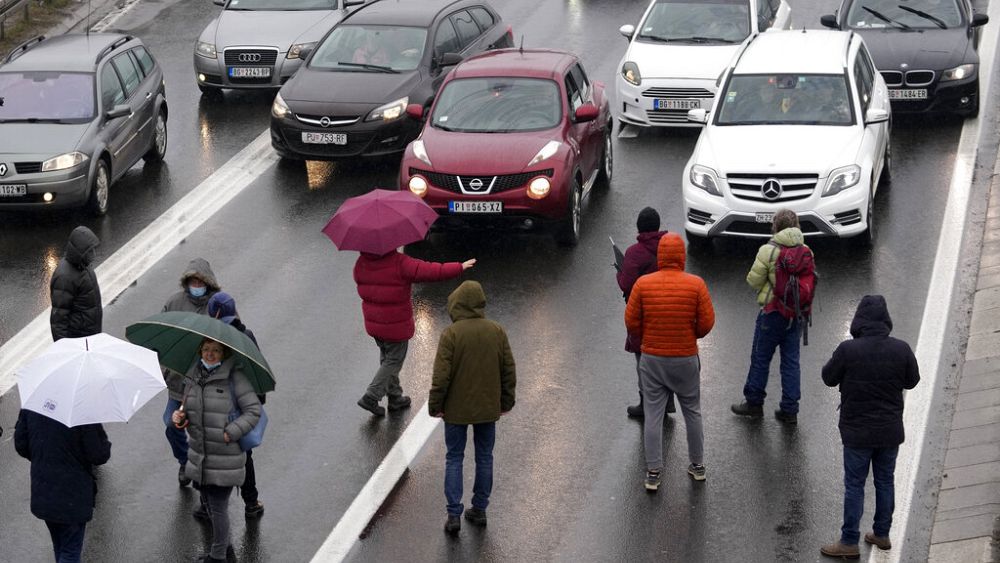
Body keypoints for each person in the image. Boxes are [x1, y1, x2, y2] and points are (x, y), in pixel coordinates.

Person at [819, 295, 920, 559]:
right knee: (885, 480)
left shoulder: (848, 350)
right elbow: (912, 381)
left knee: (855, 485)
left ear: (859, 320)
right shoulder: (901, 349)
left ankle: (849, 541)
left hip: (857, 432)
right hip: (889, 431)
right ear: (886, 320)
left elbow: (828, 378)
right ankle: (882, 533)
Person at [625, 233, 715, 491]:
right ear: (682, 257)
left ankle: (653, 472)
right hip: (685, 358)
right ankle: (697, 466)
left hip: (652, 359)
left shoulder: (643, 284)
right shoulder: (695, 285)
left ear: (660, 256)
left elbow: (631, 321)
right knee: (692, 412)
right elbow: (707, 322)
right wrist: (691, 334)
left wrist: (646, 337)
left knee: (653, 414)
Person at [428, 281, 516, 535]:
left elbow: (441, 376)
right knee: (484, 457)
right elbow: (508, 371)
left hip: (455, 410)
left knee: (454, 457)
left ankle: (453, 514)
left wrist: (436, 406)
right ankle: (480, 509)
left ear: (456, 303)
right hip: (488, 408)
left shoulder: (451, 334)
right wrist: (506, 402)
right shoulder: (496, 331)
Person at [353, 249, 474, 417]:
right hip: (395, 325)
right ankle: (372, 396)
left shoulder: (361, 263)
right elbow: (430, 271)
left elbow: (360, 283)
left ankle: (395, 398)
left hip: (375, 323)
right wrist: (459, 267)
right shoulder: (400, 263)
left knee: (387, 359)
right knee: (393, 361)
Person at [172, 339, 261, 563]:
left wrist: (231, 432)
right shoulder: (193, 377)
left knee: (218, 507)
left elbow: (253, 411)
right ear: (199, 350)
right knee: (210, 505)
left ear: (224, 353)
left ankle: (218, 556)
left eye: (216, 350)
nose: (210, 354)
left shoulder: (235, 378)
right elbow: (189, 411)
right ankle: (227, 551)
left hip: (225, 457)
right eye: (206, 349)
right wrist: (180, 419)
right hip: (200, 455)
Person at [731, 209, 810, 423]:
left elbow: (753, 281)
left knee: (761, 357)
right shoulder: (806, 250)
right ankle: (790, 409)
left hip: (772, 312)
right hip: (795, 315)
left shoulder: (768, 250)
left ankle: (754, 403)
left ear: (775, 226)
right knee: (791, 362)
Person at [14, 408, 112, 563]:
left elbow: (21, 444)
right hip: (73, 495)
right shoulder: (82, 410)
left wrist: (44, 456)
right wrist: (104, 440)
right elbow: (99, 454)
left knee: (60, 545)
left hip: (44, 491)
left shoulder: (34, 405)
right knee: (70, 551)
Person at [160, 258, 222, 487]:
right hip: (177, 382)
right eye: (193, 281)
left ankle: (200, 472)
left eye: (200, 281)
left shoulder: (216, 307)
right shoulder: (174, 303)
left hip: (204, 384)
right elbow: (162, 336)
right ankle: (184, 461)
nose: (196, 285)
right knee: (170, 424)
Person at [204, 291, 265, 519]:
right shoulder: (245, 335)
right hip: (239, 407)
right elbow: (258, 368)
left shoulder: (206, 338)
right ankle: (251, 502)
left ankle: (208, 506)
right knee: (243, 455)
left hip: (211, 406)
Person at [616, 207, 675, 419]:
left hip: (643, 315)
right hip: (668, 312)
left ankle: (646, 403)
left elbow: (626, 284)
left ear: (639, 227)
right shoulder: (670, 248)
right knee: (665, 356)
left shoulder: (634, 252)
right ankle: (668, 400)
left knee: (643, 360)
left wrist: (619, 271)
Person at [49, 226, 102, 341]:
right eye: (89, 251)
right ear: (80, 251)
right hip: (78, 340)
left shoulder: (83, 265)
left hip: (90, 336)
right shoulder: (64, 277)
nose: (94, 254)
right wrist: (63, 347)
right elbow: (58, 320)